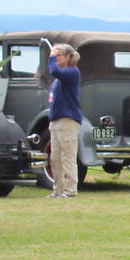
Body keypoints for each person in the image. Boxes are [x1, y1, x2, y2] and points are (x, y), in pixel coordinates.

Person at [39, 40, 83, 198]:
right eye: (55, 55)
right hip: (56, 120)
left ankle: (70, 190)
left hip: (68, 120)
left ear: (68, 57)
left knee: (67, 157)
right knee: (55, 158)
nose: (55, 58)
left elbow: (55, 71)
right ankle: (58, 189)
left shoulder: (72, 72)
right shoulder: (61, 78)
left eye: (59, 55)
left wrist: (51, 57)